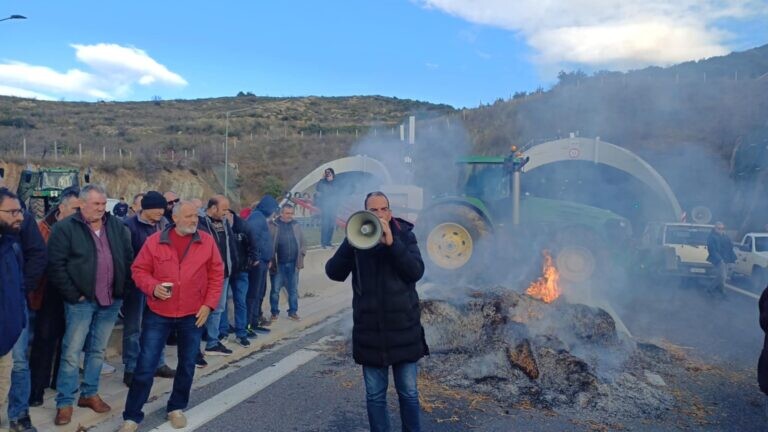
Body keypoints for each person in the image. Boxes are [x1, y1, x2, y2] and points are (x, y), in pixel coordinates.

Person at [325, 191, 429, 432]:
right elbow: (334, 272)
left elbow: (415, 272)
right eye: (374, 210)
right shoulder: (357, 235)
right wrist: (349, 244)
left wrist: (394, 245)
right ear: (365, 213)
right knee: (374, 396)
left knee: (409, 393)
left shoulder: (405, 235)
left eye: (383, 209)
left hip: (404, 329)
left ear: (390, 212)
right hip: (370, 332)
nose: (379, 214)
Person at [119, 201, 224, 432]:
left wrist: (208, 305)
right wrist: (153, 287)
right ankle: (132, 416)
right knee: (145, 365)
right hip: (159, 313)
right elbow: (138, 270)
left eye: (195, 216)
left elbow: (217, 274)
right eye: (188, 216)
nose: (194, 220)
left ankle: (176, 406)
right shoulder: (154, 242)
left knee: (187, 364)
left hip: (193, 313)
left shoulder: (206, 241)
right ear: (174, 218)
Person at [47, 184, 134, 426]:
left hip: (110, 300)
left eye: (103, 203)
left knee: (97, 351)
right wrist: (74, 295)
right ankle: (64, 402)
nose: (101, 208)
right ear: (82, 204)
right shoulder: (65, 228)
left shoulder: (116, 226)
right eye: (96, 204)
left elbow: (128, 258)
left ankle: (89, 394)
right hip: (81, 303)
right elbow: (56, 266)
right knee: (72, 352)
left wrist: (122, 288)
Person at [28, 188, 80, 408]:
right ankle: (35, 390)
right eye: (76, 208)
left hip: (75, 292)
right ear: (62, 208)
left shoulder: (83, 229)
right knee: (44, 340)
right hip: (47, 291)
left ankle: (60, 382)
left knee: (70, 341)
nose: (80, 212)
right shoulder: (42, 229)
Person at [122, 191, 176, 387]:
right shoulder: (128, 226)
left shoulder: (164, 225)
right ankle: (131, 367)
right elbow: (126, 258)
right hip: (137, 285)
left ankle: (158, 363)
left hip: (161, 284)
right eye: (157, 208)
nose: (161, 212)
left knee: (159, 325)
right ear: (145, 208)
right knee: (134, 328)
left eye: (163, 208)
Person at [7, 194, 47, 432]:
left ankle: (19, 415)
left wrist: (20, 287)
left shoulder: (20, 218)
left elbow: (38, 254)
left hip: (13, 302)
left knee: (18, 360)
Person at [197, 195, 239, 356]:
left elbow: (231, 245)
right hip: (207, 275)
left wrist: (233, 265)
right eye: (223, 209)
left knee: (218, 308)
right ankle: (195, 347)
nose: (226, 212)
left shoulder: (224, 222)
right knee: (202, 309)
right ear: (213, 208)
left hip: (224, 273)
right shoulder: (201, 224)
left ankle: (212, 342)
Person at [0, 189, 27, 428]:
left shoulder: (11, 245)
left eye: (19, 210)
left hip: (6, 340)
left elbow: (18, 287)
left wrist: (19, 321)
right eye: (12, 212)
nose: (19, 216)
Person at [246, 196, 279, 334]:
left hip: (264, 262)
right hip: (258, 263)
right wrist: (257, 257)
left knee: (260, 292)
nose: (274, 214)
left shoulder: (260, 218)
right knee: (253, 293)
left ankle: (254, 321)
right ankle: (248, 325)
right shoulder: (256, 218)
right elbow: (252, 238)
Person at [268, 203, 306, 322]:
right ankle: (274, 312)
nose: (290, 216)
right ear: (281, 213)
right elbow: (268, 243)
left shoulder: (296, 225)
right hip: (278, 264)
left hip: (293, 264)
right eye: (287, 213)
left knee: (293, 290)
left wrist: (302, 255)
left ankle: (293, 312)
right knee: (275, 290)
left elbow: (303, 242)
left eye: (291, 213)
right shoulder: (274, 225)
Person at [706, 221, 737, 295]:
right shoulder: (711, 237)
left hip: (727, 258)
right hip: (718, 259)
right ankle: (711, 289)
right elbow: (712, 250)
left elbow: (730, 246)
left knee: (722, 276)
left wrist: (732, 257)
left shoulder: (725, 236)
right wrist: (720, 259)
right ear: (715, 228)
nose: (721, 230)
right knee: (722, 276)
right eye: (719, 228)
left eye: (722, 228)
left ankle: (720, 290)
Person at [315, 167, 338, 248]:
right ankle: (324, 243)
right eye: (326, 172)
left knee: (331, 225)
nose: (327, 174)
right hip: (325, 207)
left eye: (329, 172)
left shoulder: (336, 182)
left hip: (334, 207)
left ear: (332, 173)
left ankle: (328, 242)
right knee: (325, 225)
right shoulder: (322, 182)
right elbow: (318, 192)